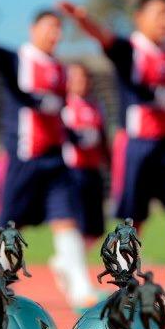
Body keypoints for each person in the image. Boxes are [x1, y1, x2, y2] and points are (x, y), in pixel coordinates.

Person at [59, 0, 165, 322]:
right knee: (131, 225)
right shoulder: (132, 50)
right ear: (139, 18)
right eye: (159, 13)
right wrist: (82, 19)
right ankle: (122, 291)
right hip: (137, 146)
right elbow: (106, 39)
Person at [0, 0, 98, 311]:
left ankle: (81, 290)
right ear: (32, 29)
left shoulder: (60, 70)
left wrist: (77, 138)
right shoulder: (18, 60)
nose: (55, 34)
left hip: (55, 160)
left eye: (58, 29)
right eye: (49, 27)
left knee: (66, 221)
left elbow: (57, 116)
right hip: (23, 159)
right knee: (11, 227)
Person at [62, 63, 108, 247]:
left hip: (93, 169)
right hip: (73, 170)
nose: (81, 82)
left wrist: (108, 159)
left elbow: (102, 136)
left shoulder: (96, 106)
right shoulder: (64, 105)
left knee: (96, 228)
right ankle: (70, 263)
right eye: (76, 78)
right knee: (76, 223)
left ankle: (66, 261)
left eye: (84, 78)